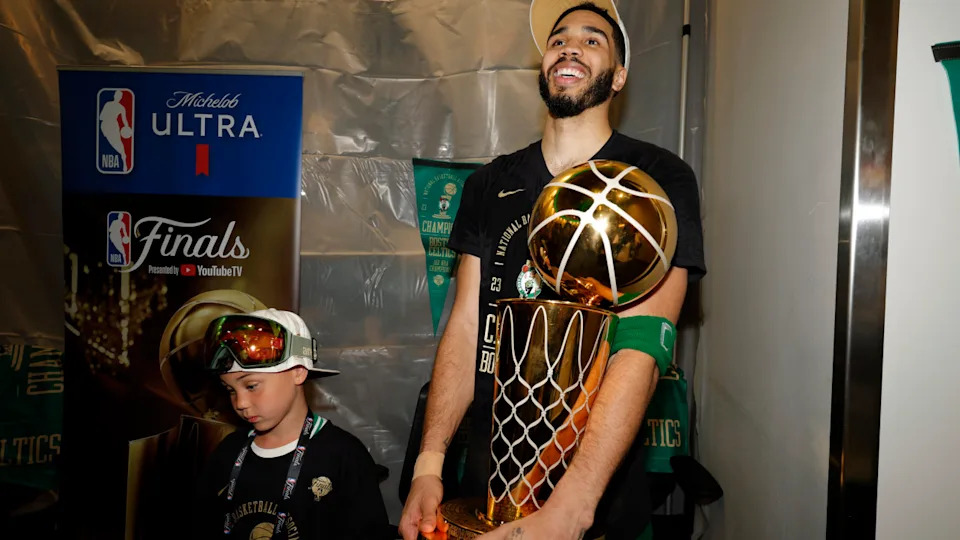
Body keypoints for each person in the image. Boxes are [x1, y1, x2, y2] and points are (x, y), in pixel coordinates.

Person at [399, 1, 706, 539]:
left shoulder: (654, 178)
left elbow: (644, 340)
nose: (570, 46)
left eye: (593, 41)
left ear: (619, 76)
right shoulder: (489, 184)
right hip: (488, 480)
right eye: (560, 39)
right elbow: (468, 326)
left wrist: (574, 506)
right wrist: (430, 463)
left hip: (597, 493)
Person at [193, 308, 391, 539]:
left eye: (251, 386)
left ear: (298, 373)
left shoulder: (344, 457)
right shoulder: (228, 452)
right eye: (230, 390)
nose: (241, 403)